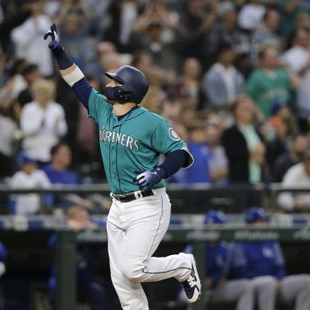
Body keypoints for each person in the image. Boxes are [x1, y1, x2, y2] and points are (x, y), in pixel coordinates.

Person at [44, 24, 201, 309]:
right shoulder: (103, 109)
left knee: (133, 269)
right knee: (123, 282)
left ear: (127, 92)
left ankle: (183, 265)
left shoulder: (151, 121)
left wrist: (159, 173)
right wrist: (60, 54)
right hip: (117, 206)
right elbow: (77, 83)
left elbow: (181, 153)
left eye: (116, 82)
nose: (110, 84)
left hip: (148, 205)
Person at [230, 207, 310, 310]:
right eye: (260, 222)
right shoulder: (240, 243)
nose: (264, 224)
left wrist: (278, 280)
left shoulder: (271, 241)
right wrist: (270, 280)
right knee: (268, 282)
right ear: (250, 224)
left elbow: (280, 267)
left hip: (276, 282)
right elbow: (241, 272)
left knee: (307, 281)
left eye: (265, 221)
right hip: (252, 284)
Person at [179, 210, 254, 310]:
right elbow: (183, 273)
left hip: (216, 289)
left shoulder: (226, 248)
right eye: (214, 226)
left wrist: (220, 279)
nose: (218, 230)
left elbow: (237, 270)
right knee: (194, 295)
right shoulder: (193, 247)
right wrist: (200, 281)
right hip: (192, 288)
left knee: (246, 286)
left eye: (220, 226)